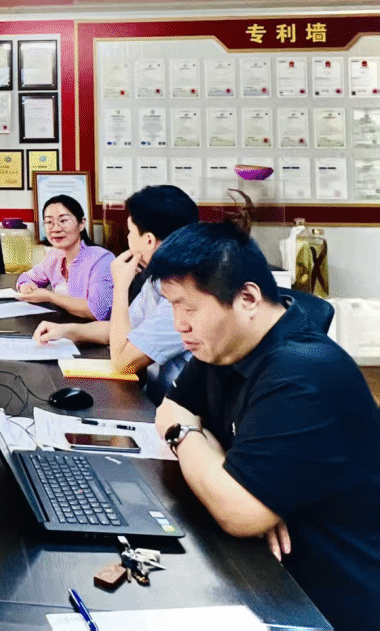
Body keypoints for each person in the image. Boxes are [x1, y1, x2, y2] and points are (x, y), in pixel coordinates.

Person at [147, 222, 380, 631]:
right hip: (268, 573)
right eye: (172, 307)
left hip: (329, 602)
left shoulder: (301, 372)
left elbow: (238, 512)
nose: (179, 324)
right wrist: (228, 477)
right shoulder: (223, 345)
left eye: (189, 308)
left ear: (248, 298)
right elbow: (170, 410)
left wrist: (185, 436)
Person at [32, 185, 198, 401]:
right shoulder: (159, 279)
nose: (128, 239)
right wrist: (65, 330)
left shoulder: (185, 297)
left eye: (130, 232)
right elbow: (121, 329)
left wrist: (120, 286)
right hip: (151, 398)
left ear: (148, 240)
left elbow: (122, 364)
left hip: (168, 409)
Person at [14, 194, 113, 319]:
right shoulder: (54, 256)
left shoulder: (101, 259)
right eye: (49, 222)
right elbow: (26, 277)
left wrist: (50, 297)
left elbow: (98, 311)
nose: (55, 229)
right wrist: (25, 286)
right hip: (60, 326)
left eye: (63, 221)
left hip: (92, 330)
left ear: (82, 224)